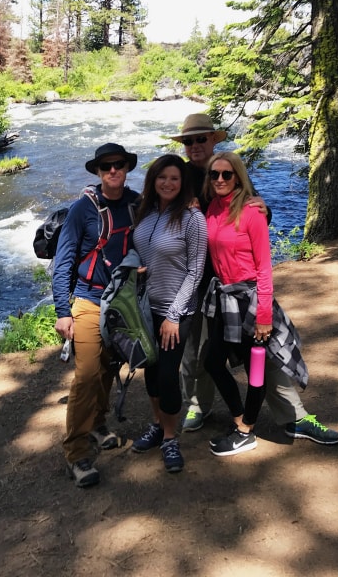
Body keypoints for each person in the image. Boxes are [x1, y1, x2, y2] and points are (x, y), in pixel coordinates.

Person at [170, 113, 338, 445]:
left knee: (261, 356)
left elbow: (255, 210)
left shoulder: (228, 168)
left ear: (214, 140)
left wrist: (266, 210)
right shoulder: (179, 177)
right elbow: (160, 212)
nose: (195, 146)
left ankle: (293, 418)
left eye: (201, 139)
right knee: (196, 353)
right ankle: (197, 406)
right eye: (189, 141)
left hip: (235, 286)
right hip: (194, 285)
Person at [53, 143, 140, 488]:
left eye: (118, 165)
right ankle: (76, 453)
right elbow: (62, 263)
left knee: (108, 367)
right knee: (87, 374)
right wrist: (63, 312)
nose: (113, 171)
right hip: (88, 301)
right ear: (98, 172)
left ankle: (99, 425)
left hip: (121, 301)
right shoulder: (81, 211)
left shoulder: (137, 204)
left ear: (127, 168)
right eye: (106, 167)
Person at [130, 154, 208, 473]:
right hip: (146, 309)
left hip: (177, 310)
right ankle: (158, 425)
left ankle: (171, 437)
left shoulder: (192, 218)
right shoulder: (145, 212)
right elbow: (140, 250)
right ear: (153, 180)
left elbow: (196, 269)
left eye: (174, 178)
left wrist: (174, 315)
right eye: (163, 177)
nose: (168, 183)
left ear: (182, 182)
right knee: (150, 372)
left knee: (166, 374)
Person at [202, 151, 274, 456]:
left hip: (248, 300)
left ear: (238, 177)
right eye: (214, 174)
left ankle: (247, 430)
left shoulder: (251, 212)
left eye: (226, 174)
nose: (220, 179)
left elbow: (265, 267)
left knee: (255, 367)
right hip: (222, 298)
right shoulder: (212, 209)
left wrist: (264, 315)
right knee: (213, 362)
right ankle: (240, 421)